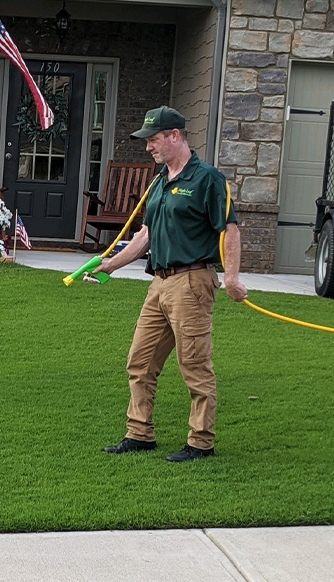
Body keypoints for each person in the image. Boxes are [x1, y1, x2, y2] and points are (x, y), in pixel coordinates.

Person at [95, 106, 248, 462]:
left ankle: (200, 442)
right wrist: (111, 265)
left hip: (192, 282)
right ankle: (139, 434)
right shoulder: (160, 181)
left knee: (194, 366)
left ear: (175, 136)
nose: (148, 147)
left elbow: (230, 229)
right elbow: (145, 235)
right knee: (140, 361)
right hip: (159, 284)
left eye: (153, 140)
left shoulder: (207, 179)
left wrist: (233, 279)